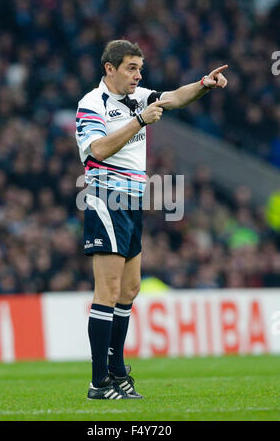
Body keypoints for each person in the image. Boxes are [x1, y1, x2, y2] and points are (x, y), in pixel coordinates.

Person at [75, 40, 227, 400]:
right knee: (108, 291)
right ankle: (99, 382)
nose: (138, 75)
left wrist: (203, 84)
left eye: (140, 68)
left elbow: (174, 97)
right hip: (105, 197)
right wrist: (140, 120)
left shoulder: (138, 96)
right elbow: (97, 150)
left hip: (133, 199)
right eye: (131, 68)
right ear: (109, 69)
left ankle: (116, 370)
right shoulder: (91, 103)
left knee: (129, 290)